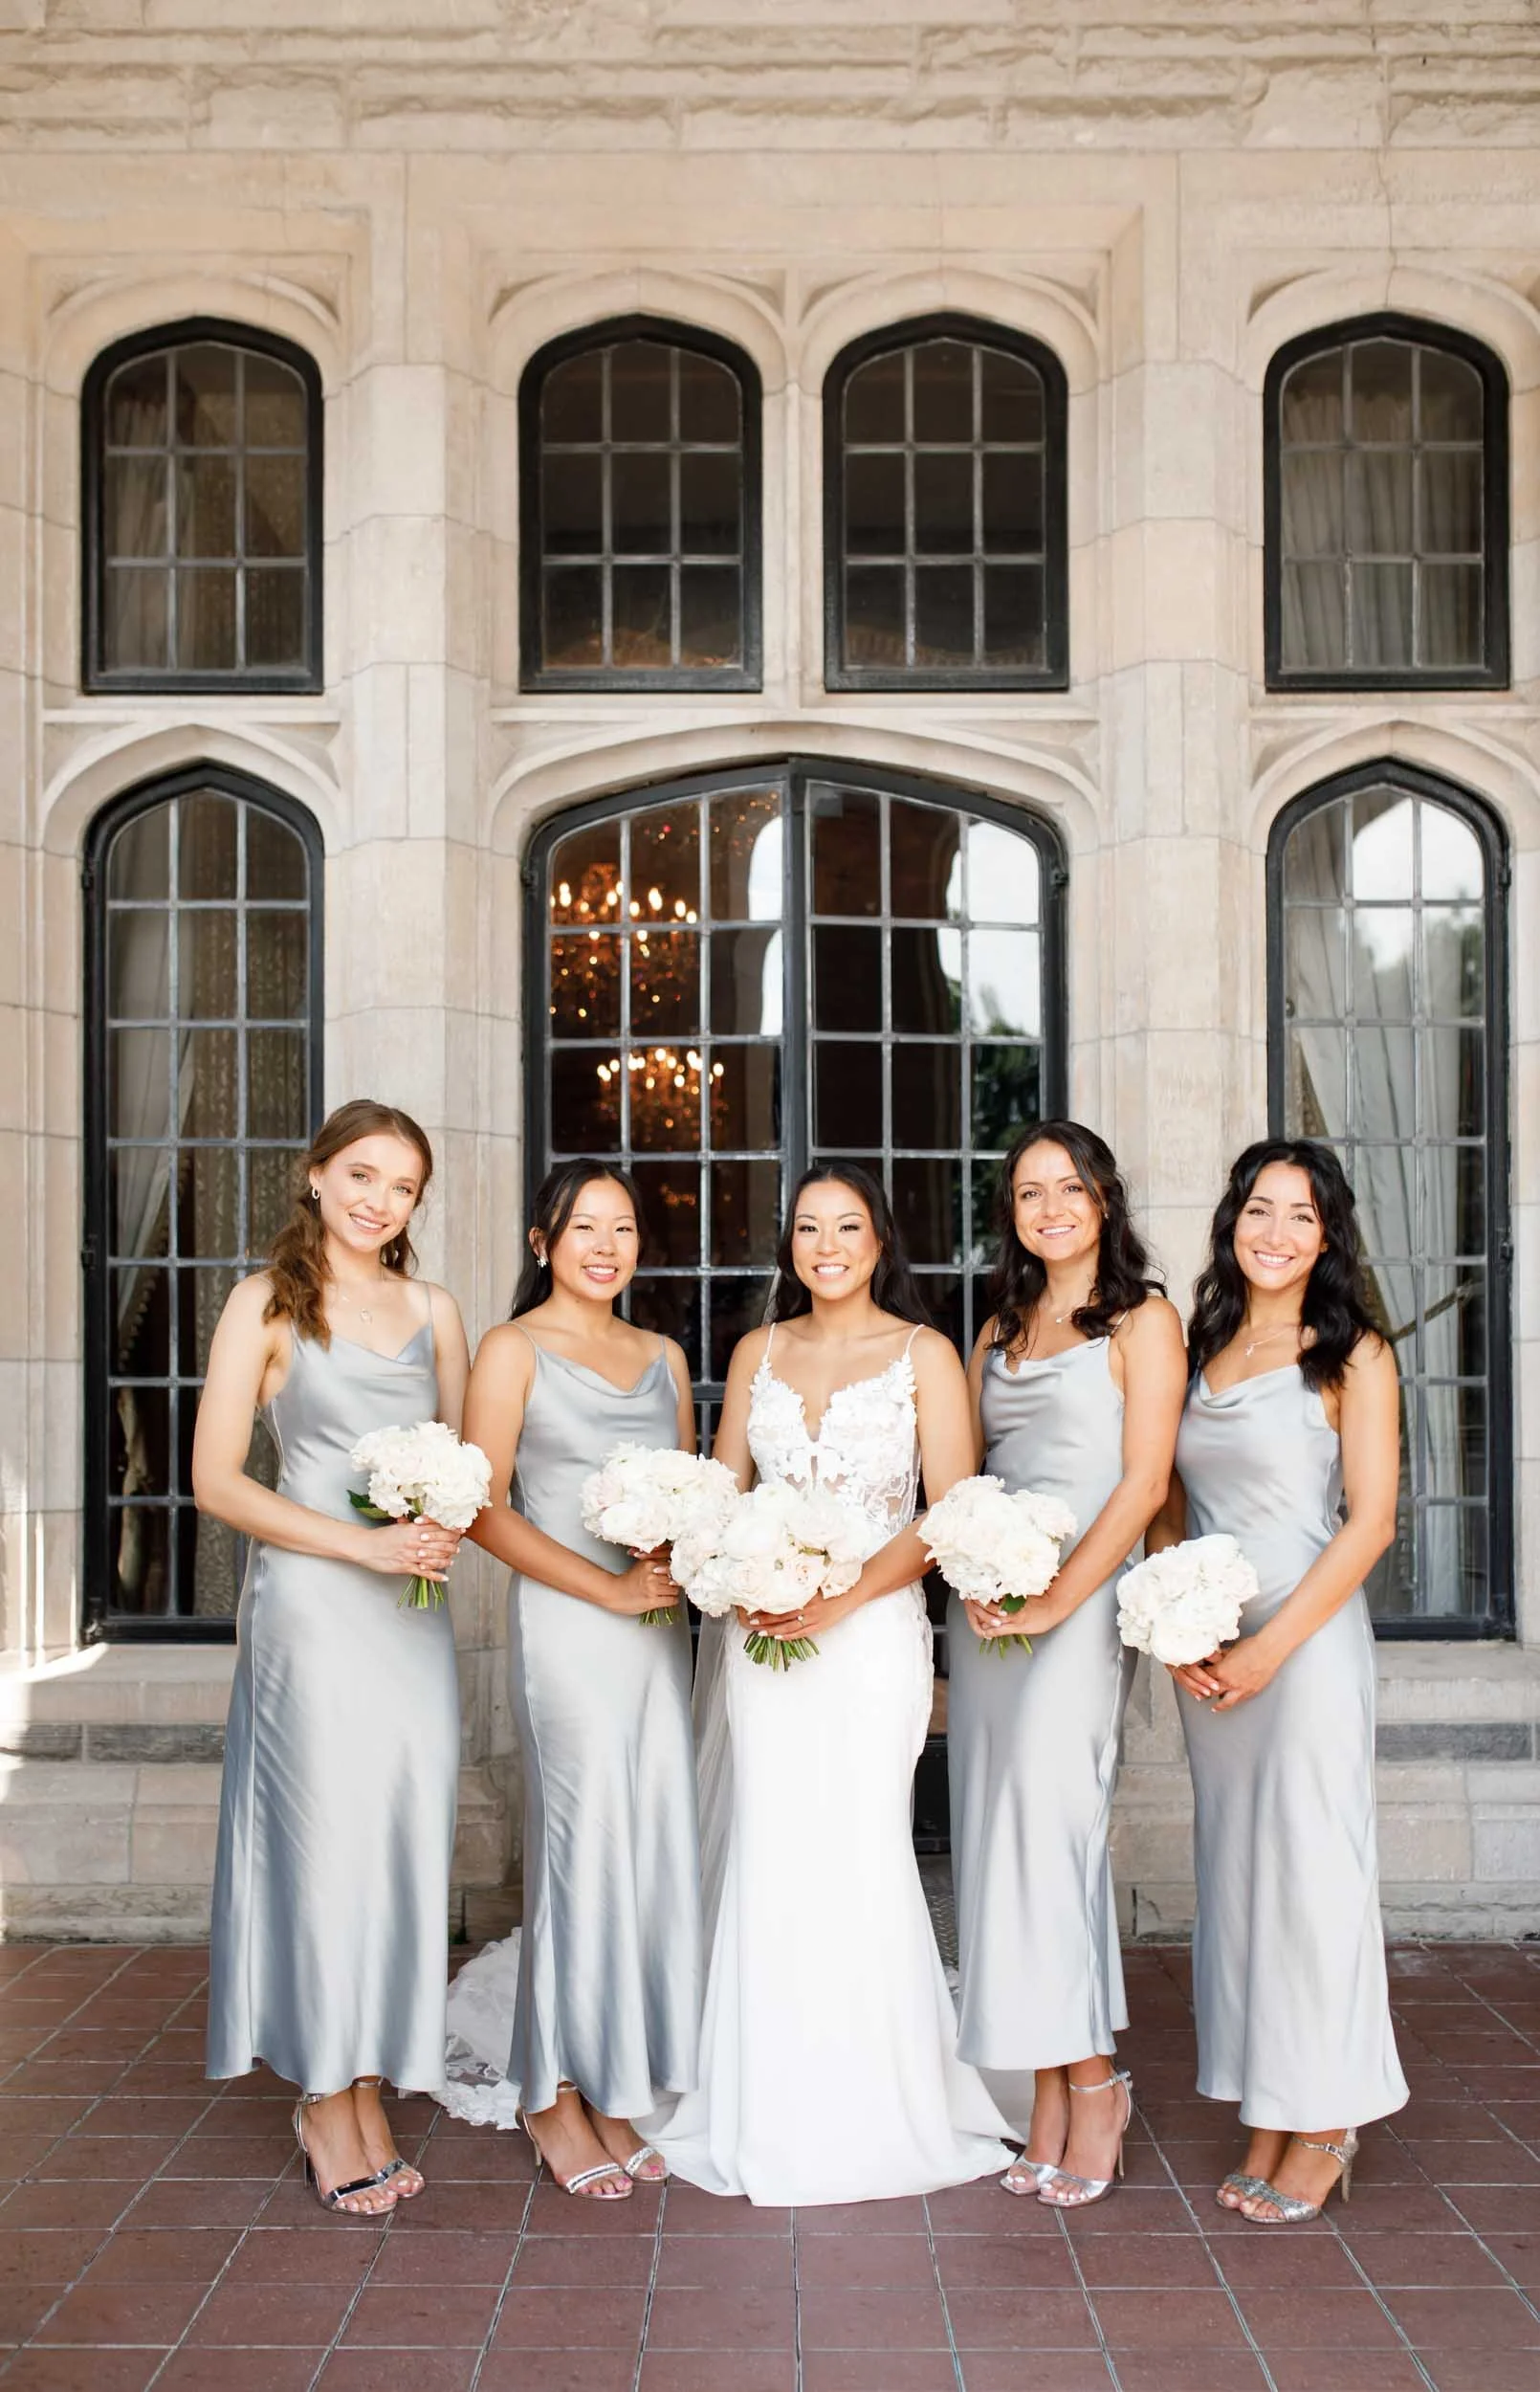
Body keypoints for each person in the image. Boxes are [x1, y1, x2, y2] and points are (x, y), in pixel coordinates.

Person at [649, 1164, 1012, 2205]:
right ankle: (760, 2094)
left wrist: (838, 1596)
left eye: (846, 1225)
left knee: (855, 1848)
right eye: (808, 1226)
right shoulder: (757, 1350)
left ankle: (873, 2098)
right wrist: (737, 1575)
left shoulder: (922, 1354)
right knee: (771, 1847)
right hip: (765, 1642)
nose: (826, 1243)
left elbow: (946, 1511)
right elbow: (724, 1491)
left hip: (867, 1646)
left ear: (877, 1239)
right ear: (789, 1244)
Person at [198, 1098, 471, 2216]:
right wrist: (358, 1539)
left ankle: (368, 2073)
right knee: (319, 1841)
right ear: (314, 1175)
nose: (377, 1200)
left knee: (399, 1834)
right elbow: (218, 1480)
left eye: (401, 1185)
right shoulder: (265, 1303)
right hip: (311, 1609)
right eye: (360, 1174)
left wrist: (433, 1521)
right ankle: (324, 2093)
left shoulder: (436, 1309)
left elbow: (461, 1465)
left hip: (409, 1616)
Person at [1151, 1138, 1408, 2223]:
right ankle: (1270, 2098)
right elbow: (1164, 1493)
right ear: (1231, 1222)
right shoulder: (1203, 1342)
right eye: (1258, 1209)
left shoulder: (1351, 1353)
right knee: (1244, 1885)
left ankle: (1328, 2116)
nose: (1273, 1232)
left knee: (1312, 1880)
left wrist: (1267, 1648)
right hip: (1212, 1660)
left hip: (1301, 1656)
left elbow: (1370, 1524)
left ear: (1326, 1234)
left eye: (1299, 1215)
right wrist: (1177, 1622)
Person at [449, 1162, 700, 2200]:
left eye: (624, 1227)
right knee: (577, 1846)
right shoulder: (511, 1349)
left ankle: (615, 2080)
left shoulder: (664, 1355)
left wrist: (682, 1566)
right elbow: (480, 1505)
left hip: (654, 1633)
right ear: (539, 1240)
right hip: (569, 1626)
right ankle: (549, 2090)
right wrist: (602, 1594)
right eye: (583, 1226)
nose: (605, 1245)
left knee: (644, 1844)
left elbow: (688, 1497)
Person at [950, 1121, 1187, 2209]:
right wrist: (980, 1578)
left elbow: (1141, 1485)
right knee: (1002, 1848)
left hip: (1076, 1614)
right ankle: (1045, 2094)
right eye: (1028, 1192)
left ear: (1103, 1199)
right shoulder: (995, 1327)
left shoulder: (1142, 1320)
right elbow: (967, 1480)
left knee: (1054, 1840)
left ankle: (1095, 2084)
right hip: (991, 1614)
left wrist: (1051, 1598)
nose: (1048, 1208)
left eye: (1068, 1188)